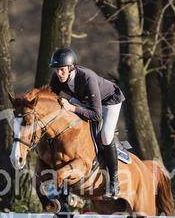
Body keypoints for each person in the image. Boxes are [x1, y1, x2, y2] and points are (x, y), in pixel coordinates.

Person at [48, 47, 125, 200]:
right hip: (85, 100)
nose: (59, 73)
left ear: (71, 68)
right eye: (57, 70)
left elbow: (96, 115)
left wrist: (71, 108)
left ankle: (113, 183)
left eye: (62, 70)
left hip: (109, 102)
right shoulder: (57, 78)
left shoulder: (87, 78)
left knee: (105, 136)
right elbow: (50, 101)